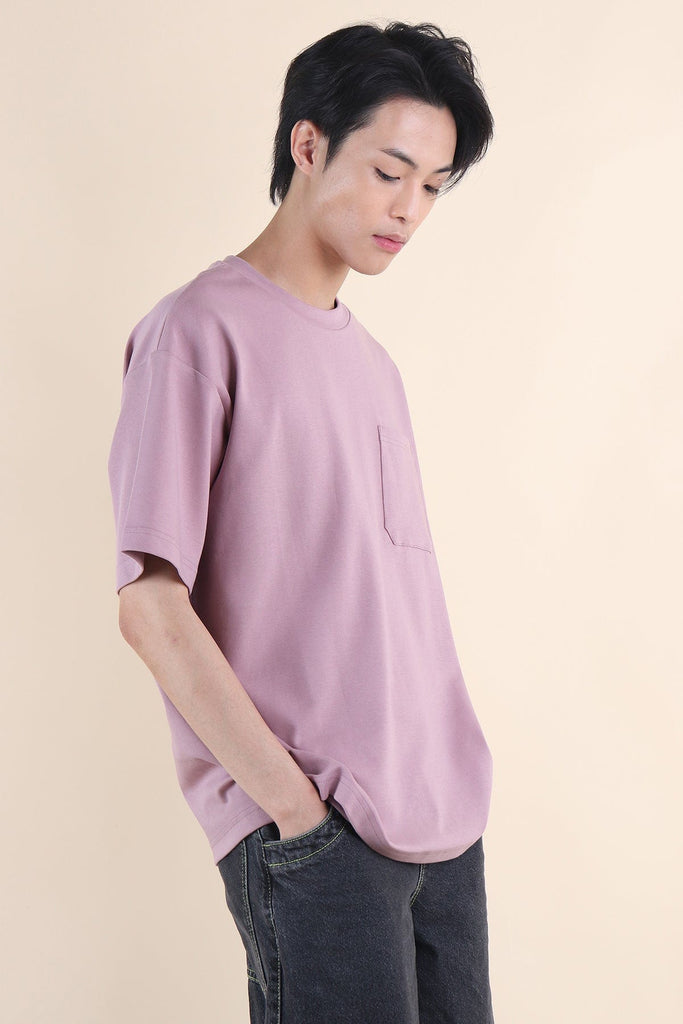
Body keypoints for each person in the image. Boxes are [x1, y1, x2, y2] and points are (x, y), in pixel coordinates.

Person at [107, 18, 496, 1024]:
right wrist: (292, 810)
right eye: (389, 172)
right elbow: (150, 604)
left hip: (441, 827)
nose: (407, 209)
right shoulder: (196, 332)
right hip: (318, 832)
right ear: (308, 144)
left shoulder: (374, 367)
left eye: (432, 186)